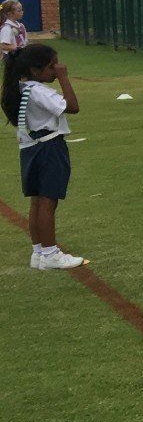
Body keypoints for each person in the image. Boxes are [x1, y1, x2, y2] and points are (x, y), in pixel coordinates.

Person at [6, 42, 86, 270]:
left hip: (30, 148)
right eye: (52, 66)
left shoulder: (21, 88)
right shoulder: (39, 91)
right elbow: (72, 107)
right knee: (48, 201)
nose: (56, 68)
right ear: (34, 70)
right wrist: (63, 78)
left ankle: (39, 252)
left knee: (37, 201)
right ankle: (51, 254)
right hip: (48, 148)